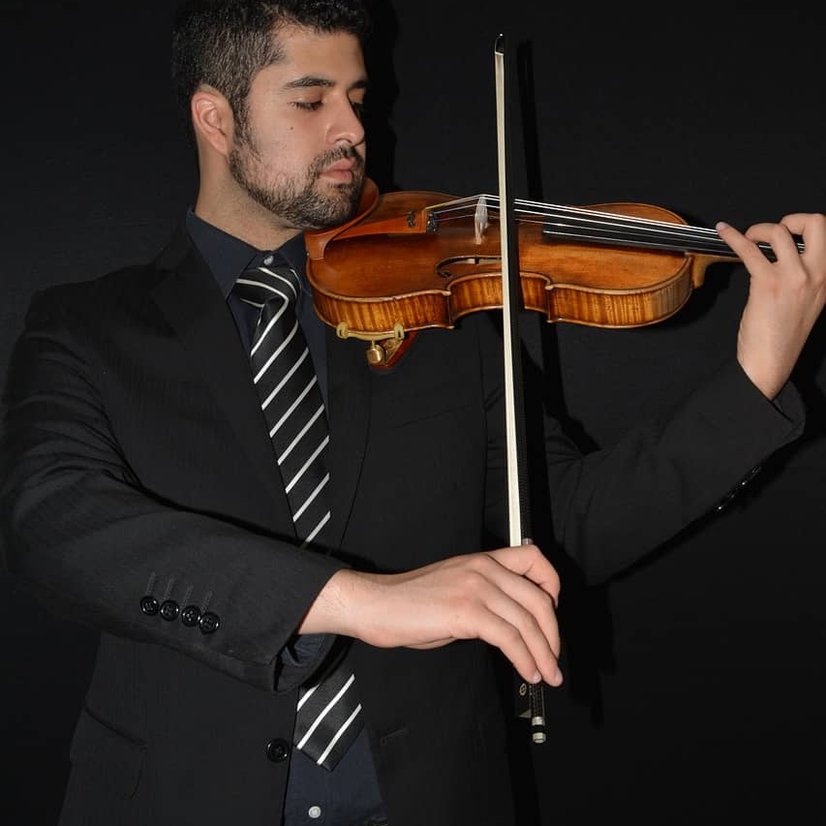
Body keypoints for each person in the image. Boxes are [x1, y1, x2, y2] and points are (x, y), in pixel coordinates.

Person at [1, 2, 824, 825]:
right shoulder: (88, 326)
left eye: (357, 98)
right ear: (215, 118)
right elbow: (55, 521)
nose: (352, 129)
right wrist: (359, 598)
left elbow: (568, 523)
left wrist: (756, 374)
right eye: (310, 99)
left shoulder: (443, 314)